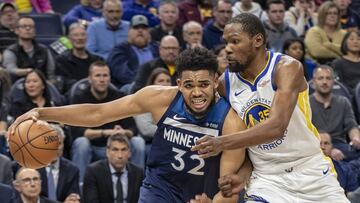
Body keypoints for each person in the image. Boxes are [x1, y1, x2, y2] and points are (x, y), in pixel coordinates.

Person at [9, 47, 247, 203]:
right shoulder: (160, 98)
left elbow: (228, 188)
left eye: (204, 84)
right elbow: (97, 113)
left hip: (201, 194)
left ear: (216, 82)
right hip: (159, 188)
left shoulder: (230, 121)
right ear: (178, 83)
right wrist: (42, 112)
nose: (196, 93)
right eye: (188, 86)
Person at [191, 13, 349, 202]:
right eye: (226, 42)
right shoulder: (226, 84)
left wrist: (221, 143)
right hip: (267, 179)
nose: (228, 49)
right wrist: (243, 175)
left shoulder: (286, 68)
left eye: (235, 41)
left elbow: (276, 126)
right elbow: (249, 143)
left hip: (311, 169)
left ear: (257, 40)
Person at [69, 61, 144, 179]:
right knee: (81, 143)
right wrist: (106, 133)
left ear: (110, 78)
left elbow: (132, 129)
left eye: (105, 75)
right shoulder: (80, 98)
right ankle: (80, 186)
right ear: (89, 78)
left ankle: (137, 184)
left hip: (117, 146)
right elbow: (76, 131)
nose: (102, 79)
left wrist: (123, 132)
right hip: (92, 147)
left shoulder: (119, 97)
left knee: (138, 142)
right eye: (98, 75)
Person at [310, 65, 360, 161]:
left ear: (334, 81)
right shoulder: (306, 104)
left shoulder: (343, 102)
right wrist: (330, 150)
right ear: (313, 82)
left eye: (328, 78)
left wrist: (356, 138)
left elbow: (351, 126)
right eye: (320, 78)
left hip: (340, 144)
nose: (325, 82)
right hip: (317, 145)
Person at [83, 134, 144, 203]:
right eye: (115, 150)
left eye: (124, 150)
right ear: (107, 152)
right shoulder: (93, 171)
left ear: (129, 153)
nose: (120, 155)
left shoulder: (138, 173)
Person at [107, 14, 158, 90]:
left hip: (157, 86)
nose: (140, 30)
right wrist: (144, 84)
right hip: (132, 88)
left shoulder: (156, 48)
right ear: (129, 31)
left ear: (148, 32)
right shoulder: (120, 49)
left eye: (144, 28)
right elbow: (123, 75)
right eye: (136, 27)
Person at [2, 16, 55, 82]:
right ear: (16, 31)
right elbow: (10, 70)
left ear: (34, 31)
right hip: (17, 86)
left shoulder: (44, 50)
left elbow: (51, 74)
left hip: (42, 87)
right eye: (24, 26)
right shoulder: (10, 51)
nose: (28, 28)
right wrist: (28, 71)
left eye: (31, 26)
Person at [55, 22, 102, 94]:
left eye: (83, 35)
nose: (80, 38)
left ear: (87, 38)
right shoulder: (61, 60)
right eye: (75, 35)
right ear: (69, 38)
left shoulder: (97, 60)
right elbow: (63, 85)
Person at [38, 125, 81, 202]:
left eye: (59, 143)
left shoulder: (72, 170)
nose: (55, 148)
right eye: (51, 143)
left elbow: (73, 197)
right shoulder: (32, 167)